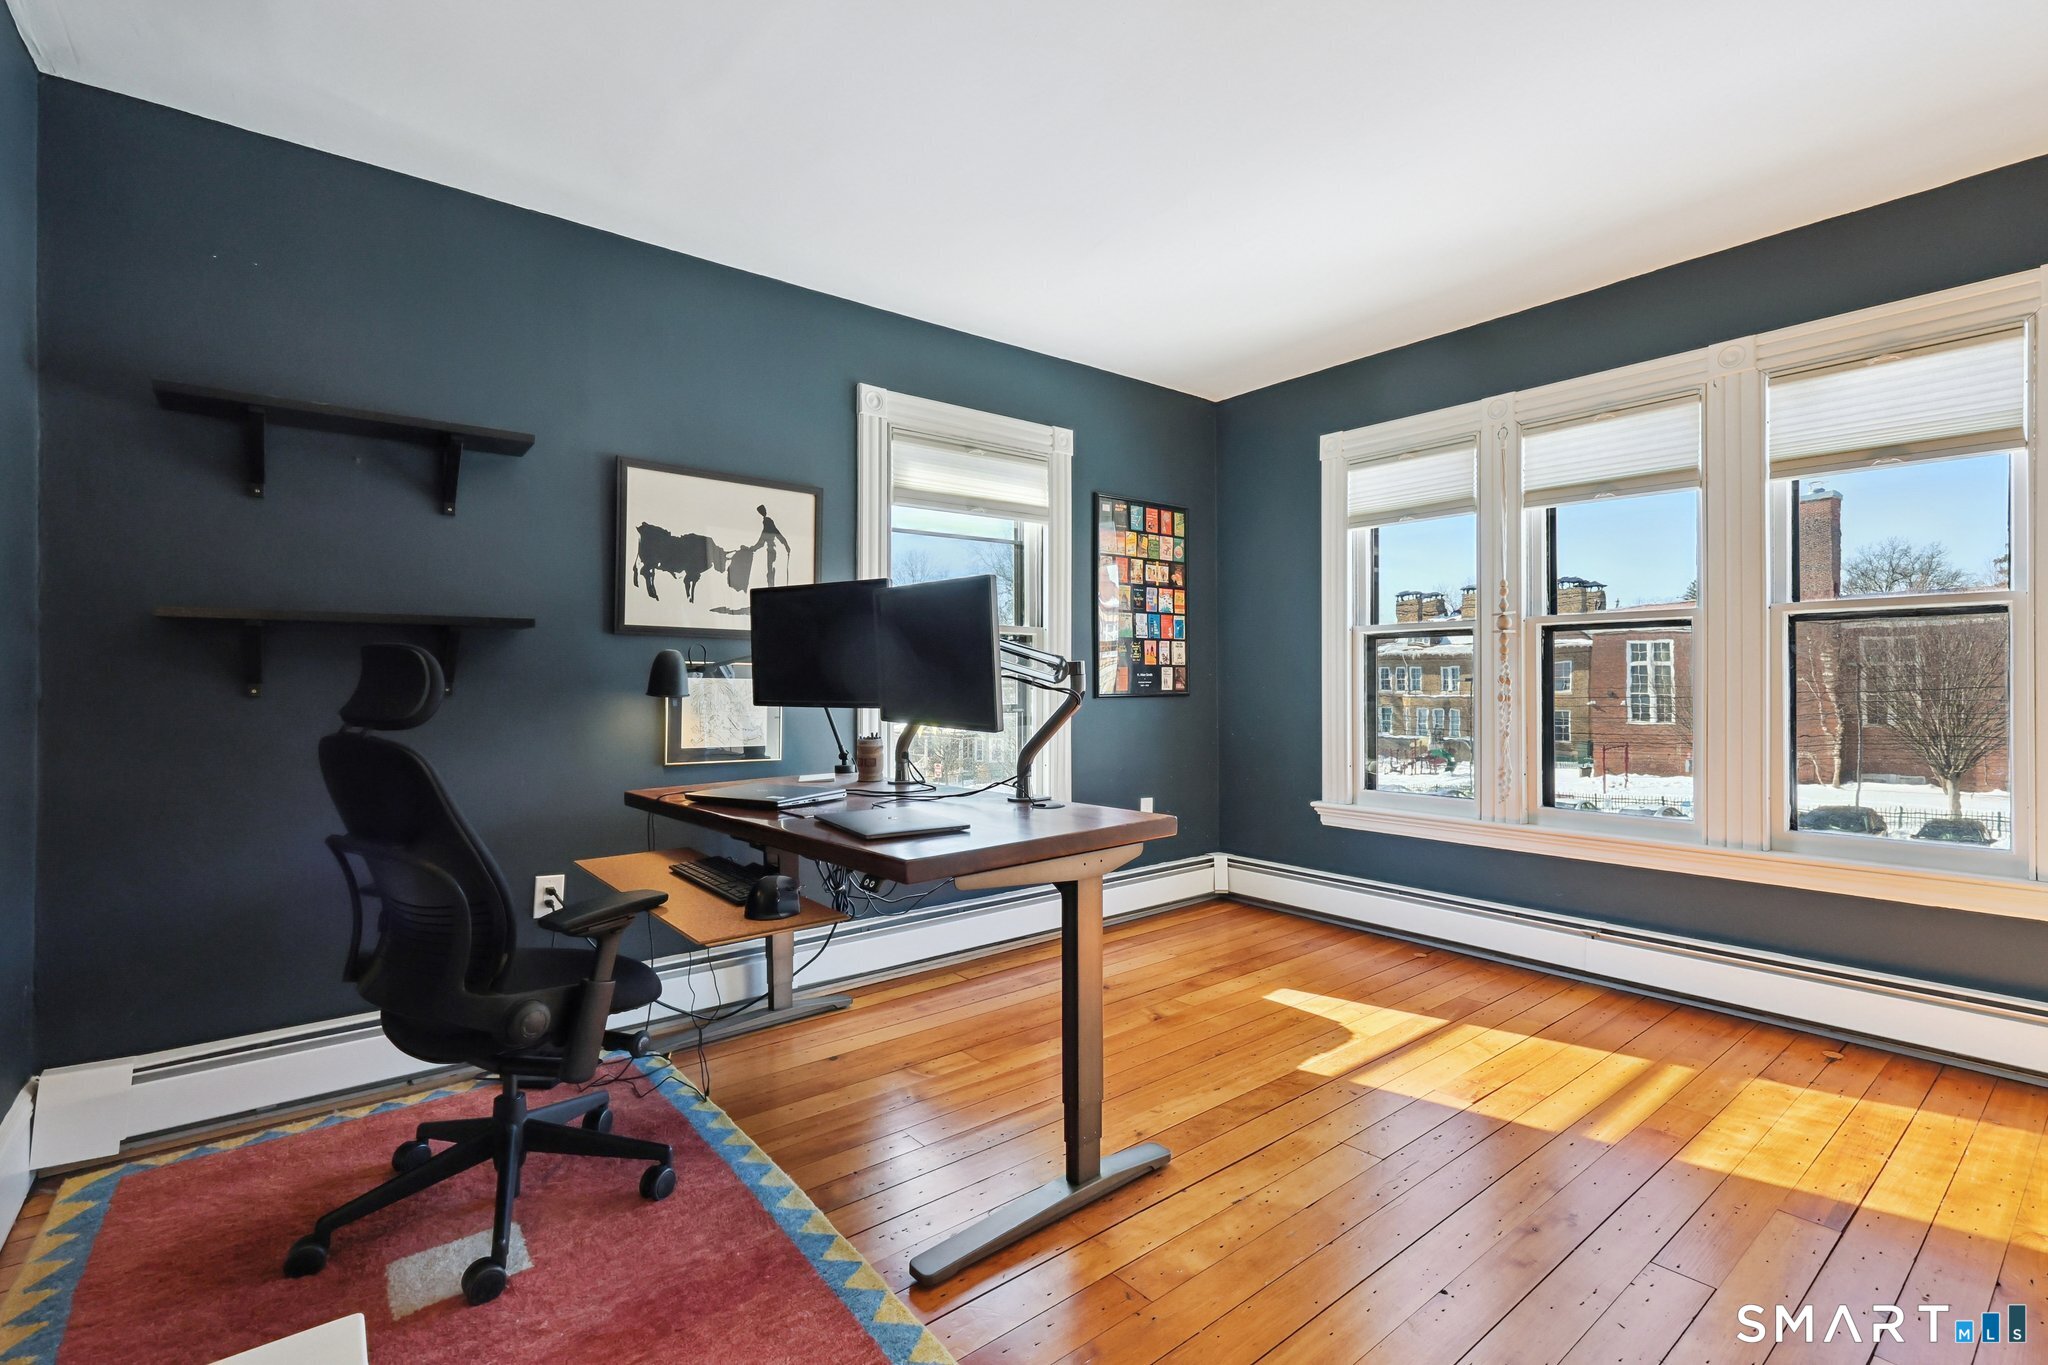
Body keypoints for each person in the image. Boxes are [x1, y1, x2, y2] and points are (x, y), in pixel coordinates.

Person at [751, 503, 792, 587]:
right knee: (770, 573)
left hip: (771, 550)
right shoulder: (767, 522)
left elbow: (763, 540)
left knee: (771, 573)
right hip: (771, 550)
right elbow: (774, 534)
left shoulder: (767, 522)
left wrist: (753, 548)